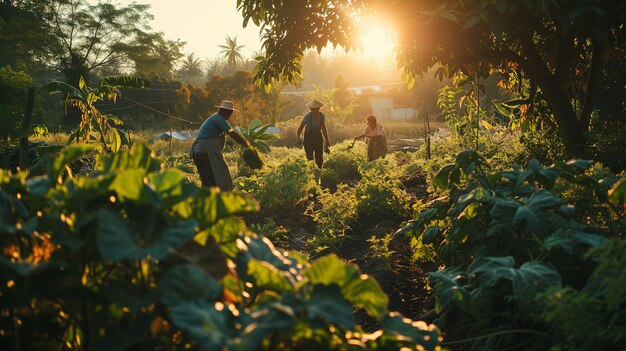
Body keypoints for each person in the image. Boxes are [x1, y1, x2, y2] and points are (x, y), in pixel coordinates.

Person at [190, 100, 252, 190]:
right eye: (230, 113)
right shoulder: (219, 119)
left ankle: (209, 198)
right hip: (204, 152)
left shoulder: (215, 118)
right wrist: (246, 144)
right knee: (211, 179)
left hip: (200, 152)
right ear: (224, 111)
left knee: (209, 179)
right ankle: (211, 199)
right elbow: (231, 133)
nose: (230, 115)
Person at [296, 99, 331, 168]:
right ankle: (311, 175)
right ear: (310, 109)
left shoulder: (321, 116)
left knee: (319, 158)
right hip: (308, 139)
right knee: (310, 159)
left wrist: (327, 141)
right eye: (313, 109)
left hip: (318, 138)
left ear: (319, 109)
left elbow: (324, 129)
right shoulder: (307, 117)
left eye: (316, 109)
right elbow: (299, 130)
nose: (315, 111)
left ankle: (319, 173)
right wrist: (298, 138)